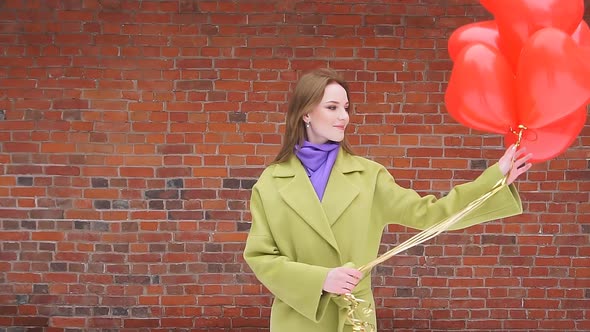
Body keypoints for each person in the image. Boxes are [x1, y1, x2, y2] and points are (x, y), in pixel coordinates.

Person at [243, 68, 533, 332]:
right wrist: (321, 280)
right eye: (332, 108)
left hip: (353, 319)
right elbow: (260, 257)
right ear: (305, 114)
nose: (343, 116)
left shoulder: (369, 176)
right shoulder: (271, 183)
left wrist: (494, 180)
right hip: (297, 320)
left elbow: (430, 213)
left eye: (346, 108)